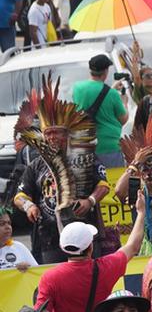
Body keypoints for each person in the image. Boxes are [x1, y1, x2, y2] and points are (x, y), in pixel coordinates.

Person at [14, 83, 110, 264]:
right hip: (49, 239)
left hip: (85, 234)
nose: (51, 137)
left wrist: (89, 201)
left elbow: (103, 185)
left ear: (67, 134)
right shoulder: (36, 165)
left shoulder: (85, 158)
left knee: (88, 277)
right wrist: (29, 206)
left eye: (56, 132)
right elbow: (19, 195)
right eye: (47, 133)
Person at [35, 203, 146, 312]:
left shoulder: (50, 277)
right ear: (90, 246)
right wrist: (141, 213)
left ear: (63, 247)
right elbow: (133, 246)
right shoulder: (106, 267)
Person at [73, 54, 130, 168]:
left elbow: (91, 99)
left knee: (92, 184)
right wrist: (124, 102)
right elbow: (123, 119)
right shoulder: (112, 94)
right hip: (109, 147)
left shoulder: (77, 88)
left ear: (90, 70)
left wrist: (110, 90)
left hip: (85, 146)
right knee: (114, 184)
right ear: (106, 71)